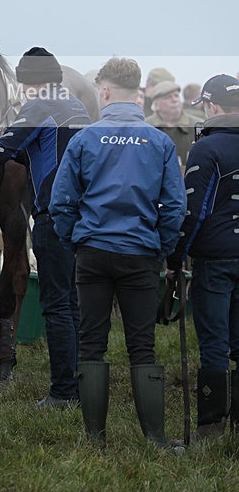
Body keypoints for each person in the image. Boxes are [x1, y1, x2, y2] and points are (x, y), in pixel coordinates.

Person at [50, 57, 186, 448]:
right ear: (137, 92)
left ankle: (96, 440)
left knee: (91, 341)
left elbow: (62, 202)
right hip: (140, 252)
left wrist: (75, 241)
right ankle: (156, 439)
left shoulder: (84, 139)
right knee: (141, 344)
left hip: (92, 252)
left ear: (105, 91)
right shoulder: (159, 141)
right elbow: (174, 207)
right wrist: (160, 246)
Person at [0, 47, 91, 407]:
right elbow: (41, 149)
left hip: (51, 215)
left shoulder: (38, 105)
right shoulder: (74, 104)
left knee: (56, 305)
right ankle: (78, 383)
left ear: (32, 82)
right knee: (71, 303)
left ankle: (62, 392)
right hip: (82, 215)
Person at [166, 74, 239, 440]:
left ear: (211, 106)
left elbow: (193, 212)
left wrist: (176, 258)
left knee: (214, 344)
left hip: (215, 260)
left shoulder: (206, 149)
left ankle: (210, 431)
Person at [145, 80, 200, 167]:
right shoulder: (145, 127)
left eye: (176, 96)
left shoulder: (198, 125)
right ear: (156, 104)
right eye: (168, 97)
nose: (174, 100)